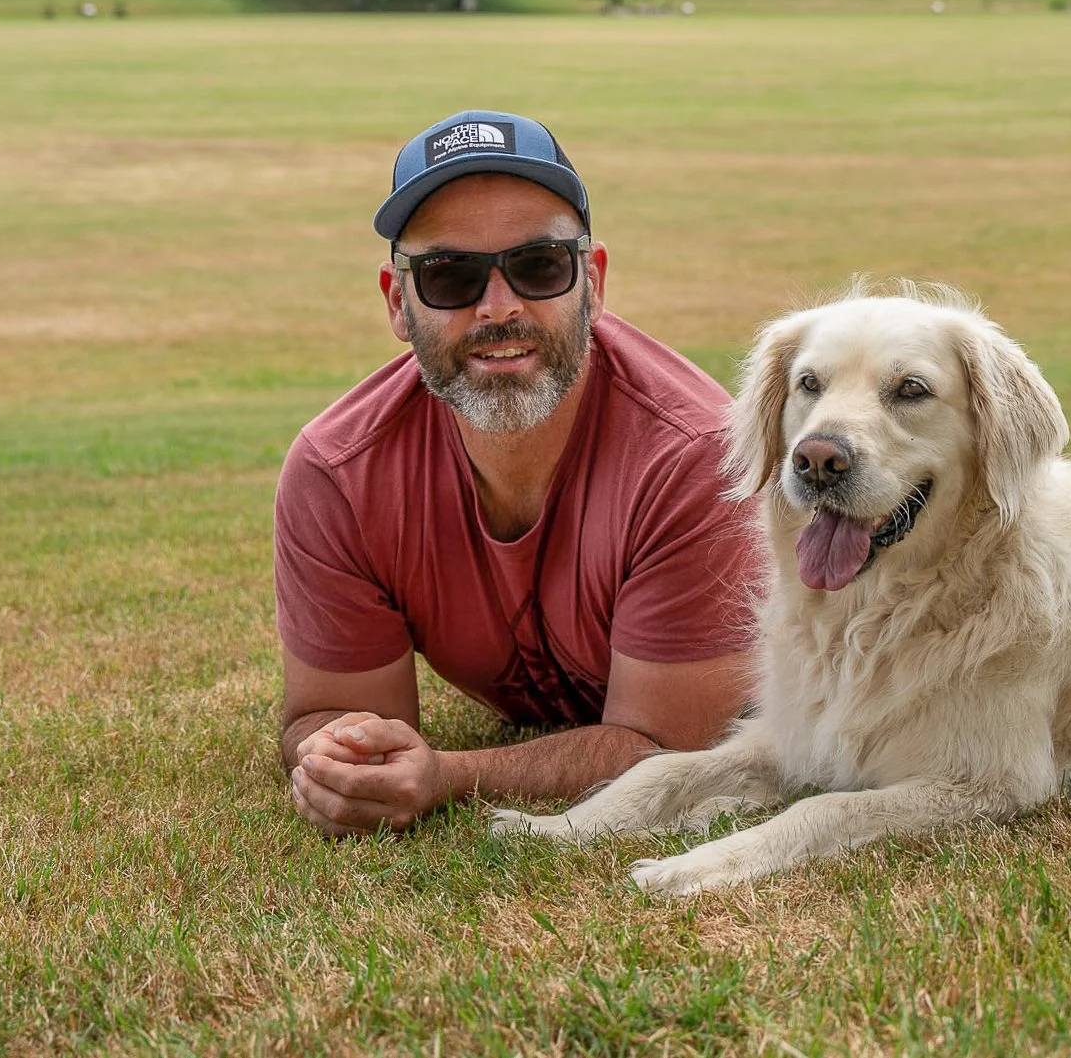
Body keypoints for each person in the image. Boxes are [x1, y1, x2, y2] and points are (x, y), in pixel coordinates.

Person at [276, 110, 763, 837]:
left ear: (592, 281)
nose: (497, 307)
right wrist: (339, 762)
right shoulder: (336, 473)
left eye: (539, 265)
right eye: (450, 275)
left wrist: (447, 773)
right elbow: (329, 714)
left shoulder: (693, 455)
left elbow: (669, 749)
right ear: (396, 302)